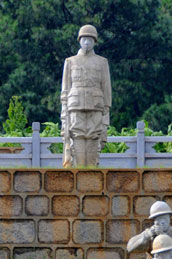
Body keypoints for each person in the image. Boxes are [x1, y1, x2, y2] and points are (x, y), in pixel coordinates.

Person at [61, 24, 111, 167]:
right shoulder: (70, 62)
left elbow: (106, 88)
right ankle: (79, 174)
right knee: (77, 137)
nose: (87, 42)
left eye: (90, 39)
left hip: (96, 106)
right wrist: (64, 115)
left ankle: (91, 175)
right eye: (84, 39)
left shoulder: (102, 62)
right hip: (75, 106)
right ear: (79, 41)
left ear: (95, 42)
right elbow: (65, 89)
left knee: (94, 137)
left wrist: (106, 114)